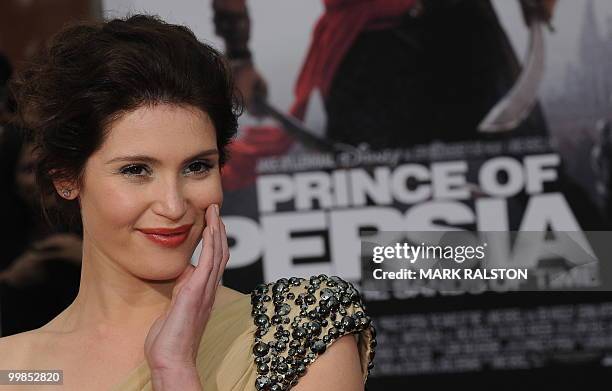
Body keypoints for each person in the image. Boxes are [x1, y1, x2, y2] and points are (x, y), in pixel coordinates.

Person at [0, 15, 375, 391]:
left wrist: (175, 371)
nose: (174, 205)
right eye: (136, 169)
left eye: (197, 167)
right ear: (66, 178)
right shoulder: (13, 370)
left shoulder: (301, 331)